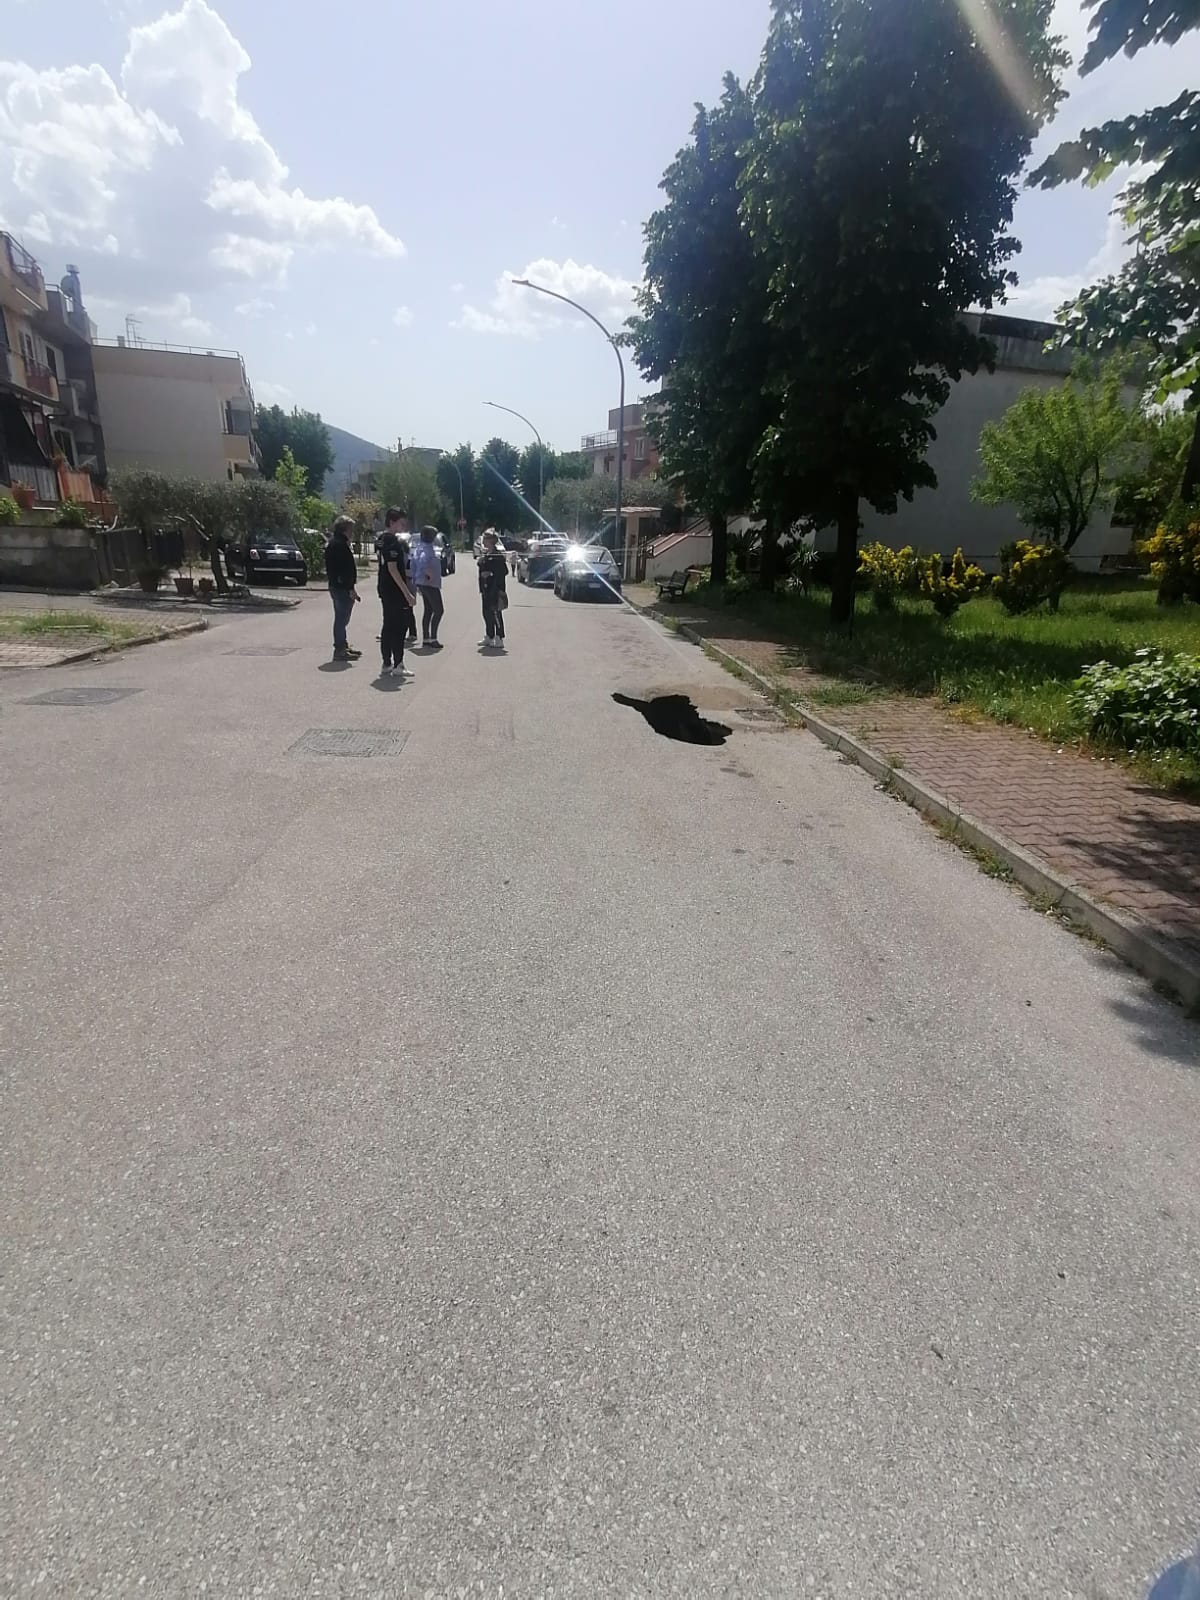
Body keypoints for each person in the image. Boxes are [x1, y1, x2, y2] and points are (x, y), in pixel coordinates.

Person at [376, 507, 418, 676]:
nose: (403, 526)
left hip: (384, 587)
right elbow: (393, 568)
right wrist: (407, 593)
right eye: (401, 523)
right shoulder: (392, 541)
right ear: (392, 522)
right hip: (394, 590)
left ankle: (387, 662)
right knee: (399, 627)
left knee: (387, 625)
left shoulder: (380, 539)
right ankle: (398, 664)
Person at [324, 515, 361, 661]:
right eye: (351, 528)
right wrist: (349, 588)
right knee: (341, 619)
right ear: (345, 528)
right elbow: (343, 569)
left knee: (342, 618)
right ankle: (339, 649)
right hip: (341, 587)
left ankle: (343, 645)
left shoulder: (338, 543)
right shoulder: (338, 545)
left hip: (339, 586)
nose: (353, 531)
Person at [411, 525, 445, 650]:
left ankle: (426, 638)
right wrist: (427, 572)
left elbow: (413, 564)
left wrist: (416, 580)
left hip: (422, 582)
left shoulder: (419, 548)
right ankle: (433, 638)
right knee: (439, 610)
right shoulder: (427, 549)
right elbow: (423, 561)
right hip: (429, 584)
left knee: (429, 610)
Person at [477, 528, 508, 648]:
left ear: (491, 540)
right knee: (486, 613)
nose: (483, 540)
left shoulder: (497, 555)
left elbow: (503, 571)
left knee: (496, 613)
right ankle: (489, 636)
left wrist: (490, 574)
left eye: (485, 538)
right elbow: (482, 566)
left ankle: (499, 637)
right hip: (485, 589)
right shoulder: (487, 554)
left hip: (495, 589)